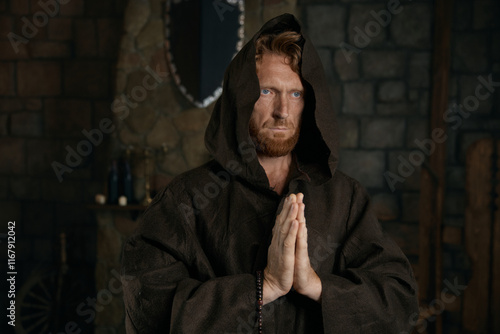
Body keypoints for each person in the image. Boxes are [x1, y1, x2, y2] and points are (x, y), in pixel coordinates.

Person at [121, 13, 418, 333]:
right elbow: (148, 307)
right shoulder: (184, 200)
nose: (282, 111)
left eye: (295, 94)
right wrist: (264, 287)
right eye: (267, 92)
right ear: (241, 97)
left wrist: (316, 286)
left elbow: (398, 304)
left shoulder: (345, 199)